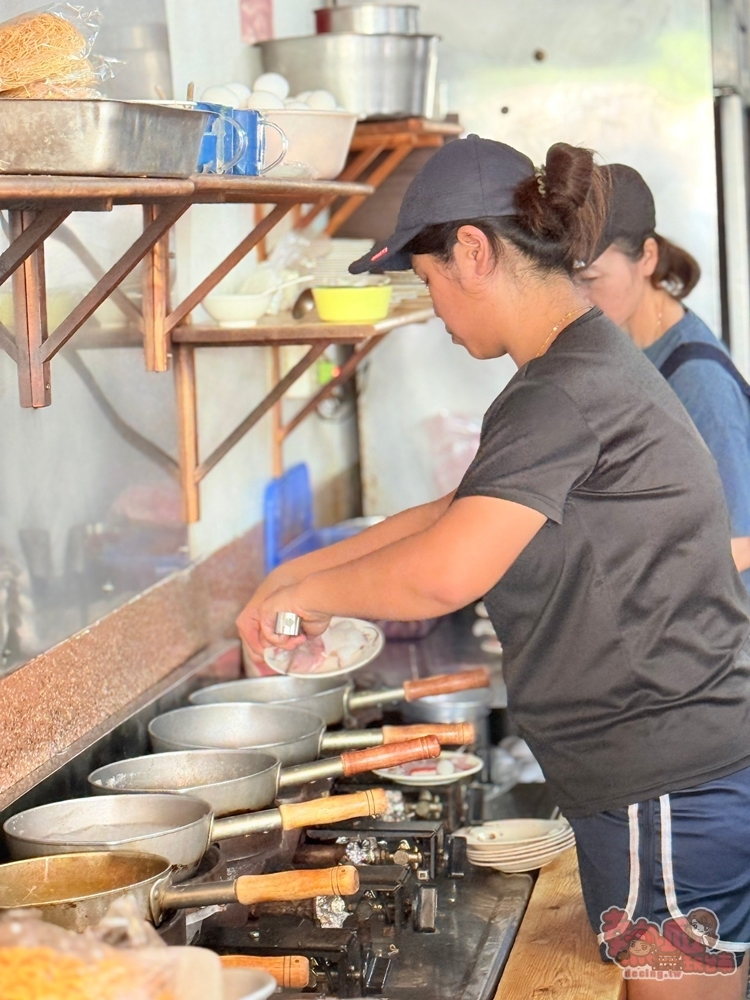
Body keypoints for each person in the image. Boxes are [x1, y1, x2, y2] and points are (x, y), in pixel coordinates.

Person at [237, 135, 750, 999]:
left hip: (667, 786)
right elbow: (456, 512)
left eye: (429, 278)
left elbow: (447, 570)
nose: (434, 306)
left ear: (472, 251)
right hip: (666, 777)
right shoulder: (573, 368)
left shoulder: (566, 389)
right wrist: (295, 581)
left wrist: (310, 593)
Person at [578, 164, 750, 591]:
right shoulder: (634, 351)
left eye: (591, 280)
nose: (578, 298)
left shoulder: (698, 382)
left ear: (648, 258)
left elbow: (739, 544)